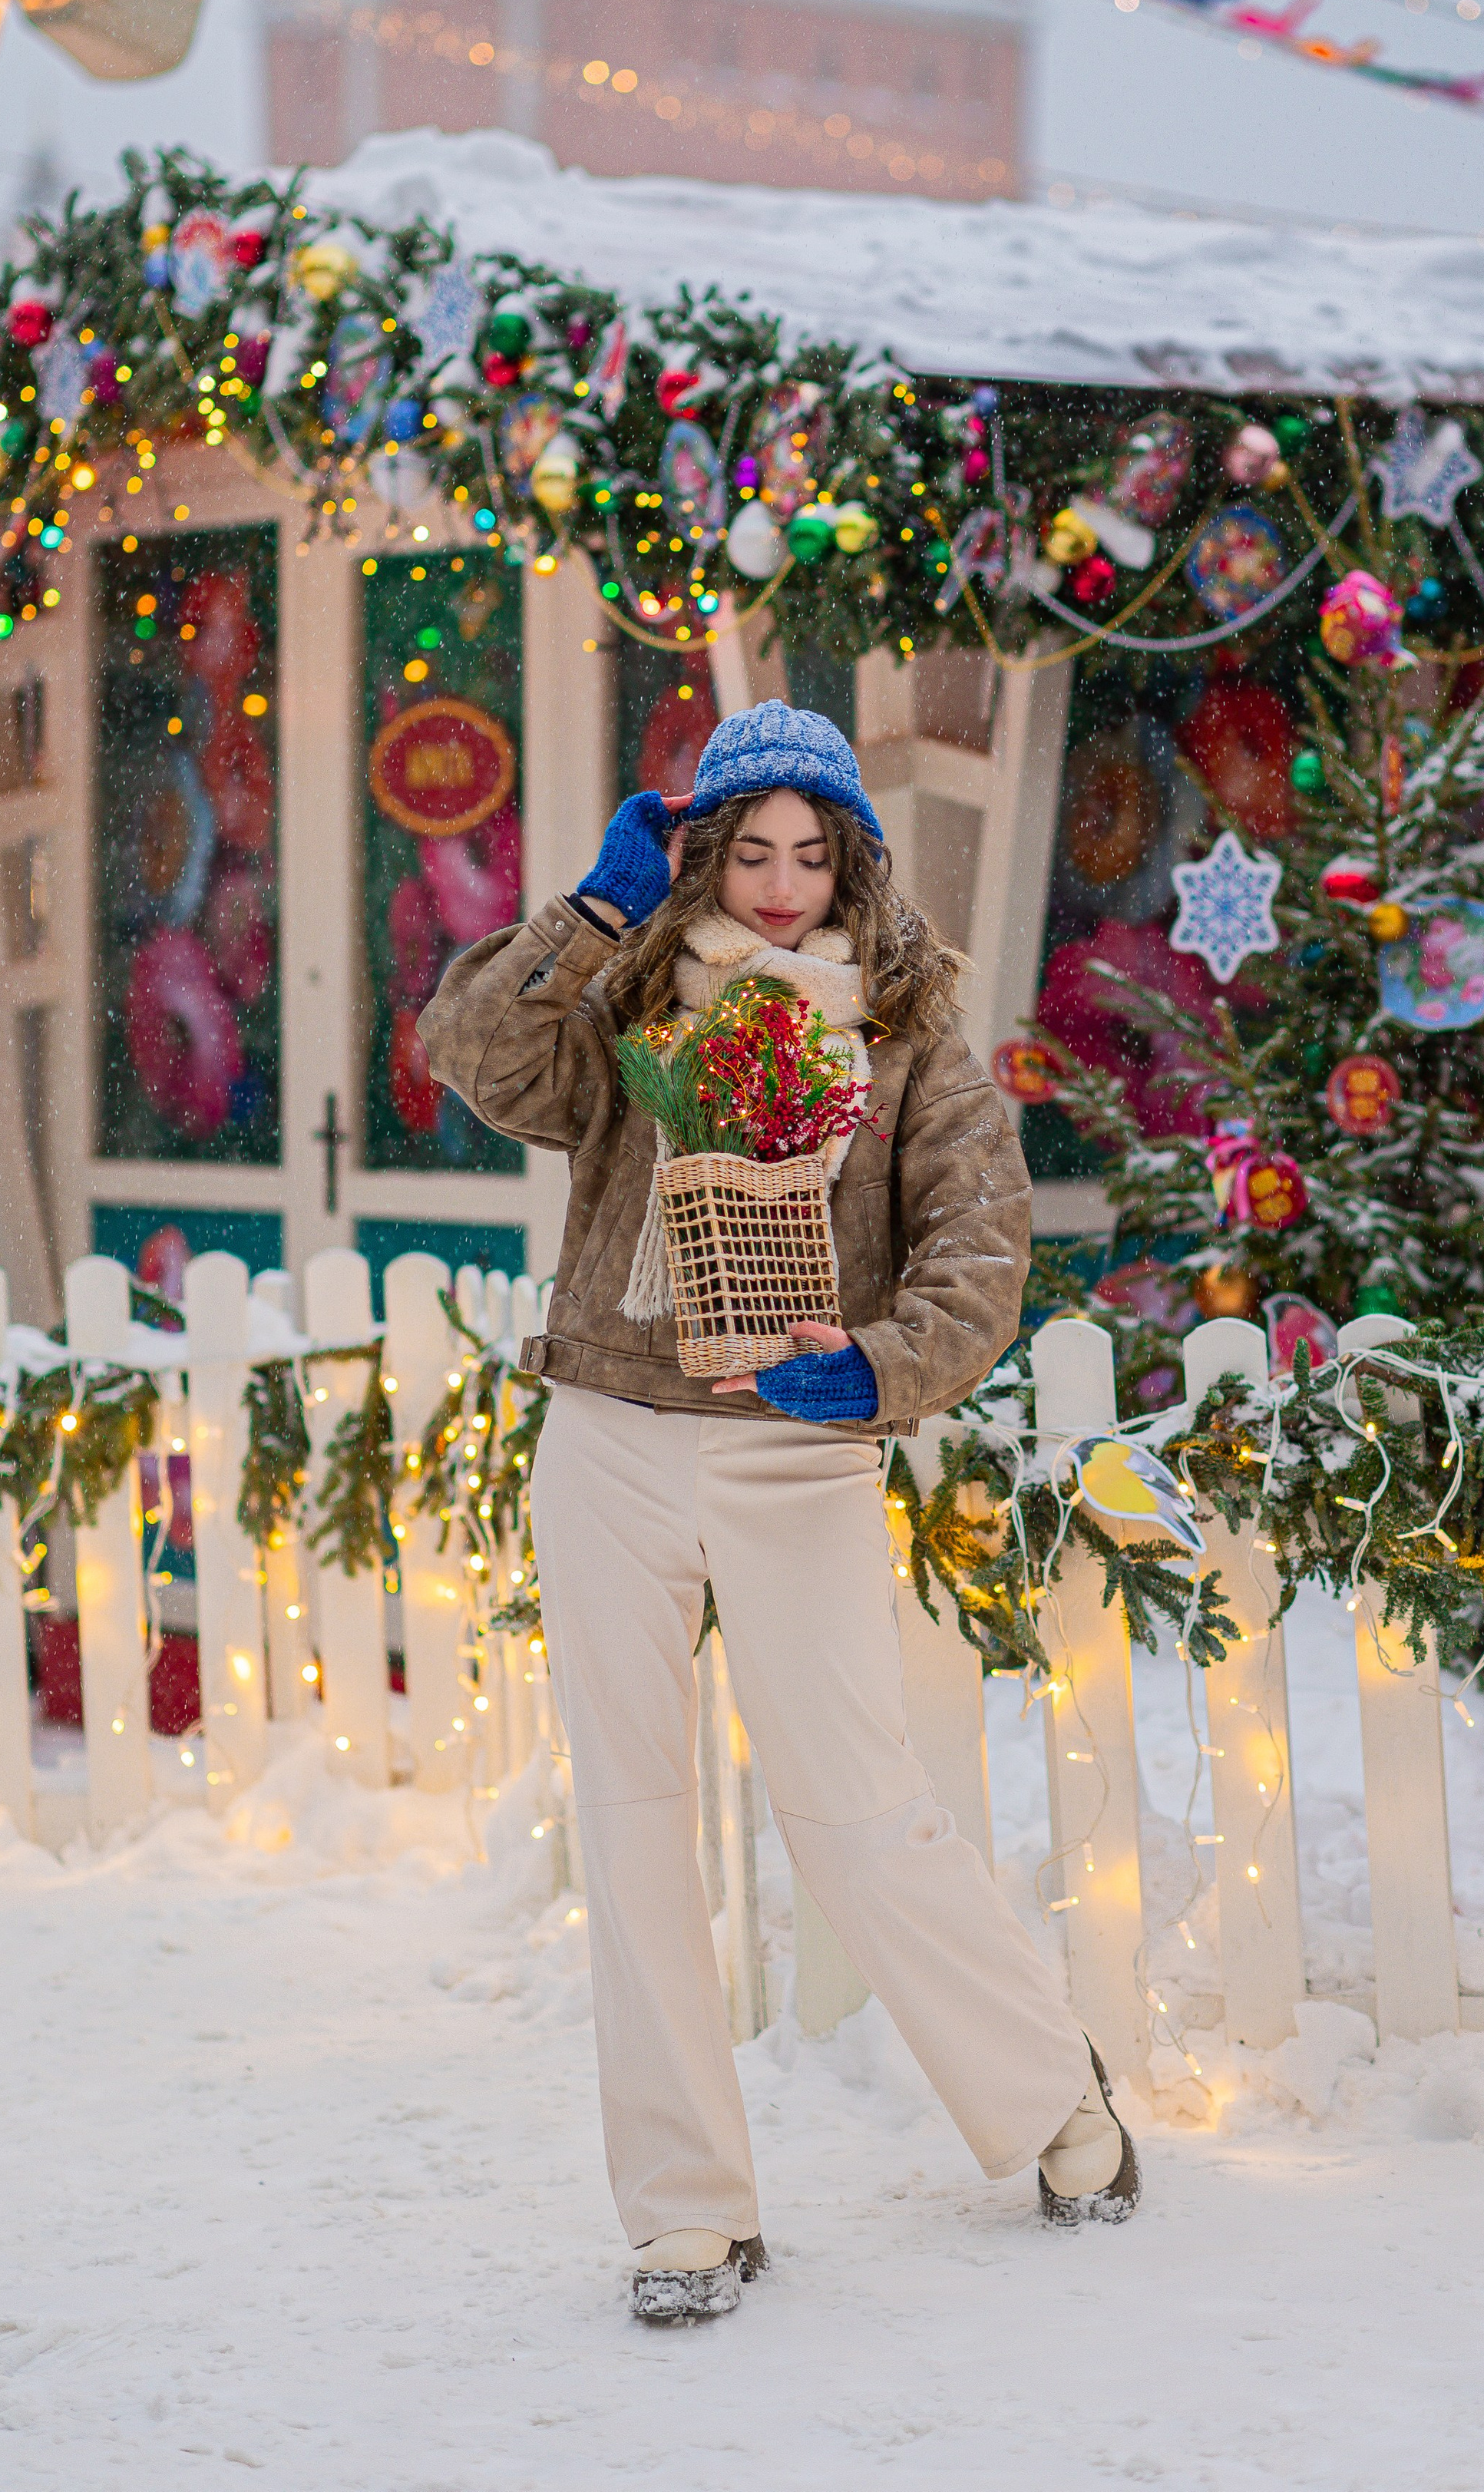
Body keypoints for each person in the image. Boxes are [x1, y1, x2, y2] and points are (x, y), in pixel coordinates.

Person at [419, 699, 1139, 2324]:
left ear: (851, 868)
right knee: (631, 1820)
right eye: (746, 849)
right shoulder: (620, 1013)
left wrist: (873, 1371)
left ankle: (1052, 2105)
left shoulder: (904, 1044)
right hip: (610, 1425)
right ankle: (689, 2213)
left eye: (809, 852)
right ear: (700, 860)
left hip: (791, 1445)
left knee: (855, 1812)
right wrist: (584, 915)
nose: (776, 881)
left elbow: (978, 1249)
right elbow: (470, 1056)